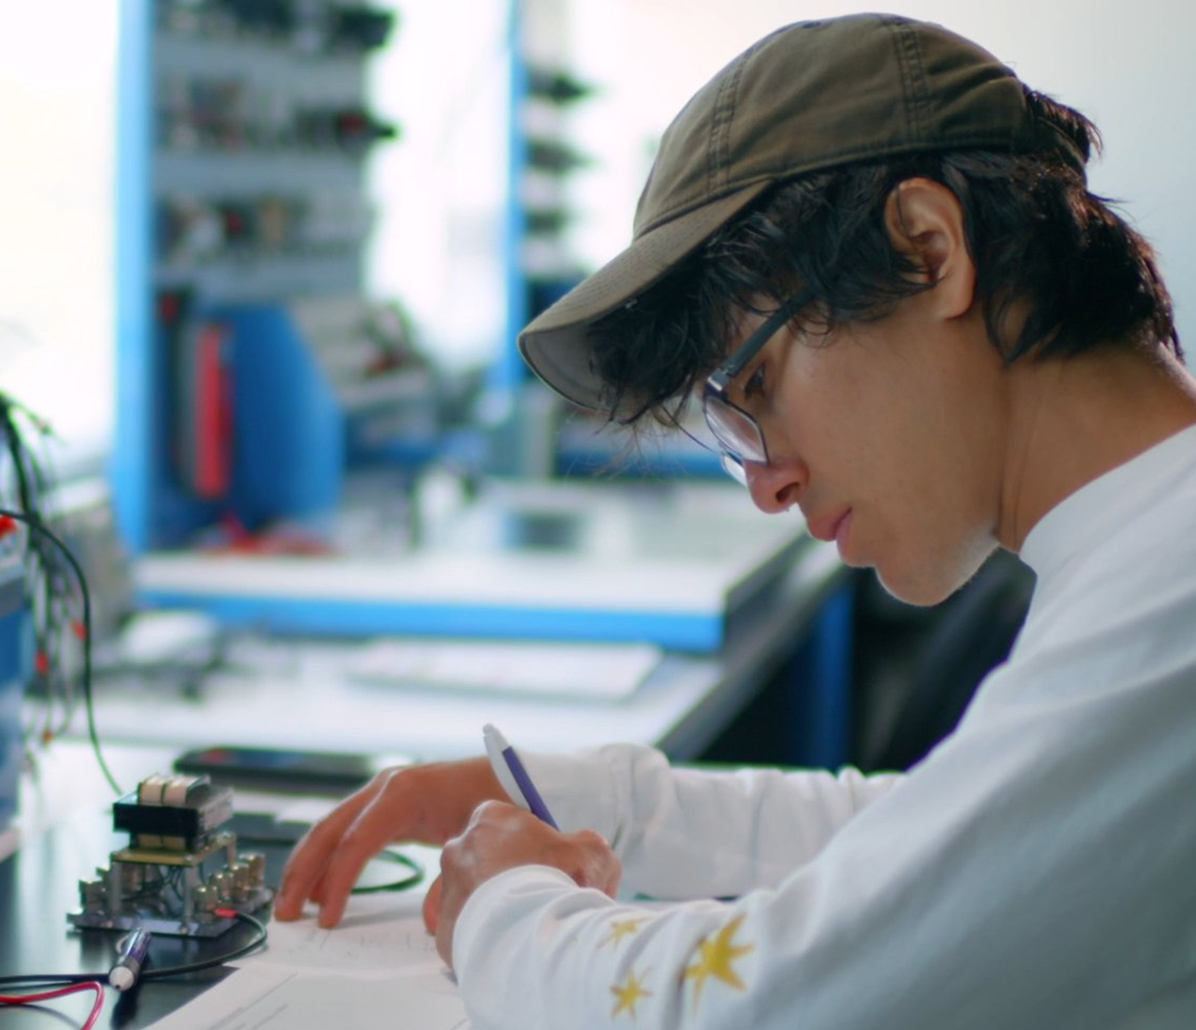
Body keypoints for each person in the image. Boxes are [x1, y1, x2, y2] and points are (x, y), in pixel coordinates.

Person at [275, 14, 1196, 1028]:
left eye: (754, 381)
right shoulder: (1145, 558)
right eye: (728, 424)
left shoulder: (1170, 597)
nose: (764, 483)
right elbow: (939, 847)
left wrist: (505, 909)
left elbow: (774, 999)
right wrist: (589, 803)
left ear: (928, 249)